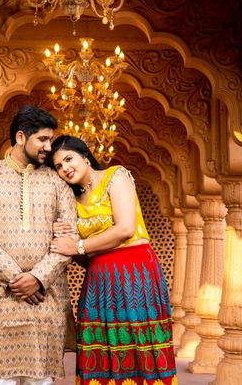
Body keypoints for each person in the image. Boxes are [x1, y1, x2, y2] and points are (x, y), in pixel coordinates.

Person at [0, 105, 79, 385]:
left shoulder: (57, 181)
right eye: (43, 139)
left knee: (40, 381)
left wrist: (38, 278)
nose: (49, 147)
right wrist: (17, 278)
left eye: (51, 140)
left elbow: (70, 237)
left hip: (45, 298)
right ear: (21, 137)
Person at [48, 135, 177, 385]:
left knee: (138, 349)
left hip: (135, 277)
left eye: (68, 159)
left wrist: (77, 245)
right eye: (58, 166)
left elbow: (125, 229)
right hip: (98, 282)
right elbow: (85, 257)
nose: (65, 168)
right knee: (102, 354)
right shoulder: (70, 201)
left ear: (84, 156)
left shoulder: (115, 176)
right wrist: (69, 246)